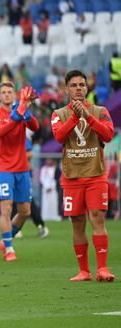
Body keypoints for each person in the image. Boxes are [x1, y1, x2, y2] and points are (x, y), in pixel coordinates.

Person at [51, 70, 115, 282]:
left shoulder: (100, 110)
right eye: (74, 85)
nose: (79, 88)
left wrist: (87, 116)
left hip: (95, 174)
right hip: (72, 177)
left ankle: (102, 269)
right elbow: (59, 137)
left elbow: (107, 134)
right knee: (77, 222)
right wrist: (76, 117)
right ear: (66, 89)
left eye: (82, 85)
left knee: (97, 217)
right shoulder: (58, 114)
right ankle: (84, 271)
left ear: (87, 88)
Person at [0, 82, 39, 262]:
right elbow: (0, 132)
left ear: (14, 95)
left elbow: (35, 127)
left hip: (22, 167)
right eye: (4, 92)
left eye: (10, 92)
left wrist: (26, 109)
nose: (7, 95)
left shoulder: (21, 109)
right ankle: (9, 248)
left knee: (25, 211)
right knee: (6, 207)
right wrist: (18, 112)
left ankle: (5, 239)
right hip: (3, 168)